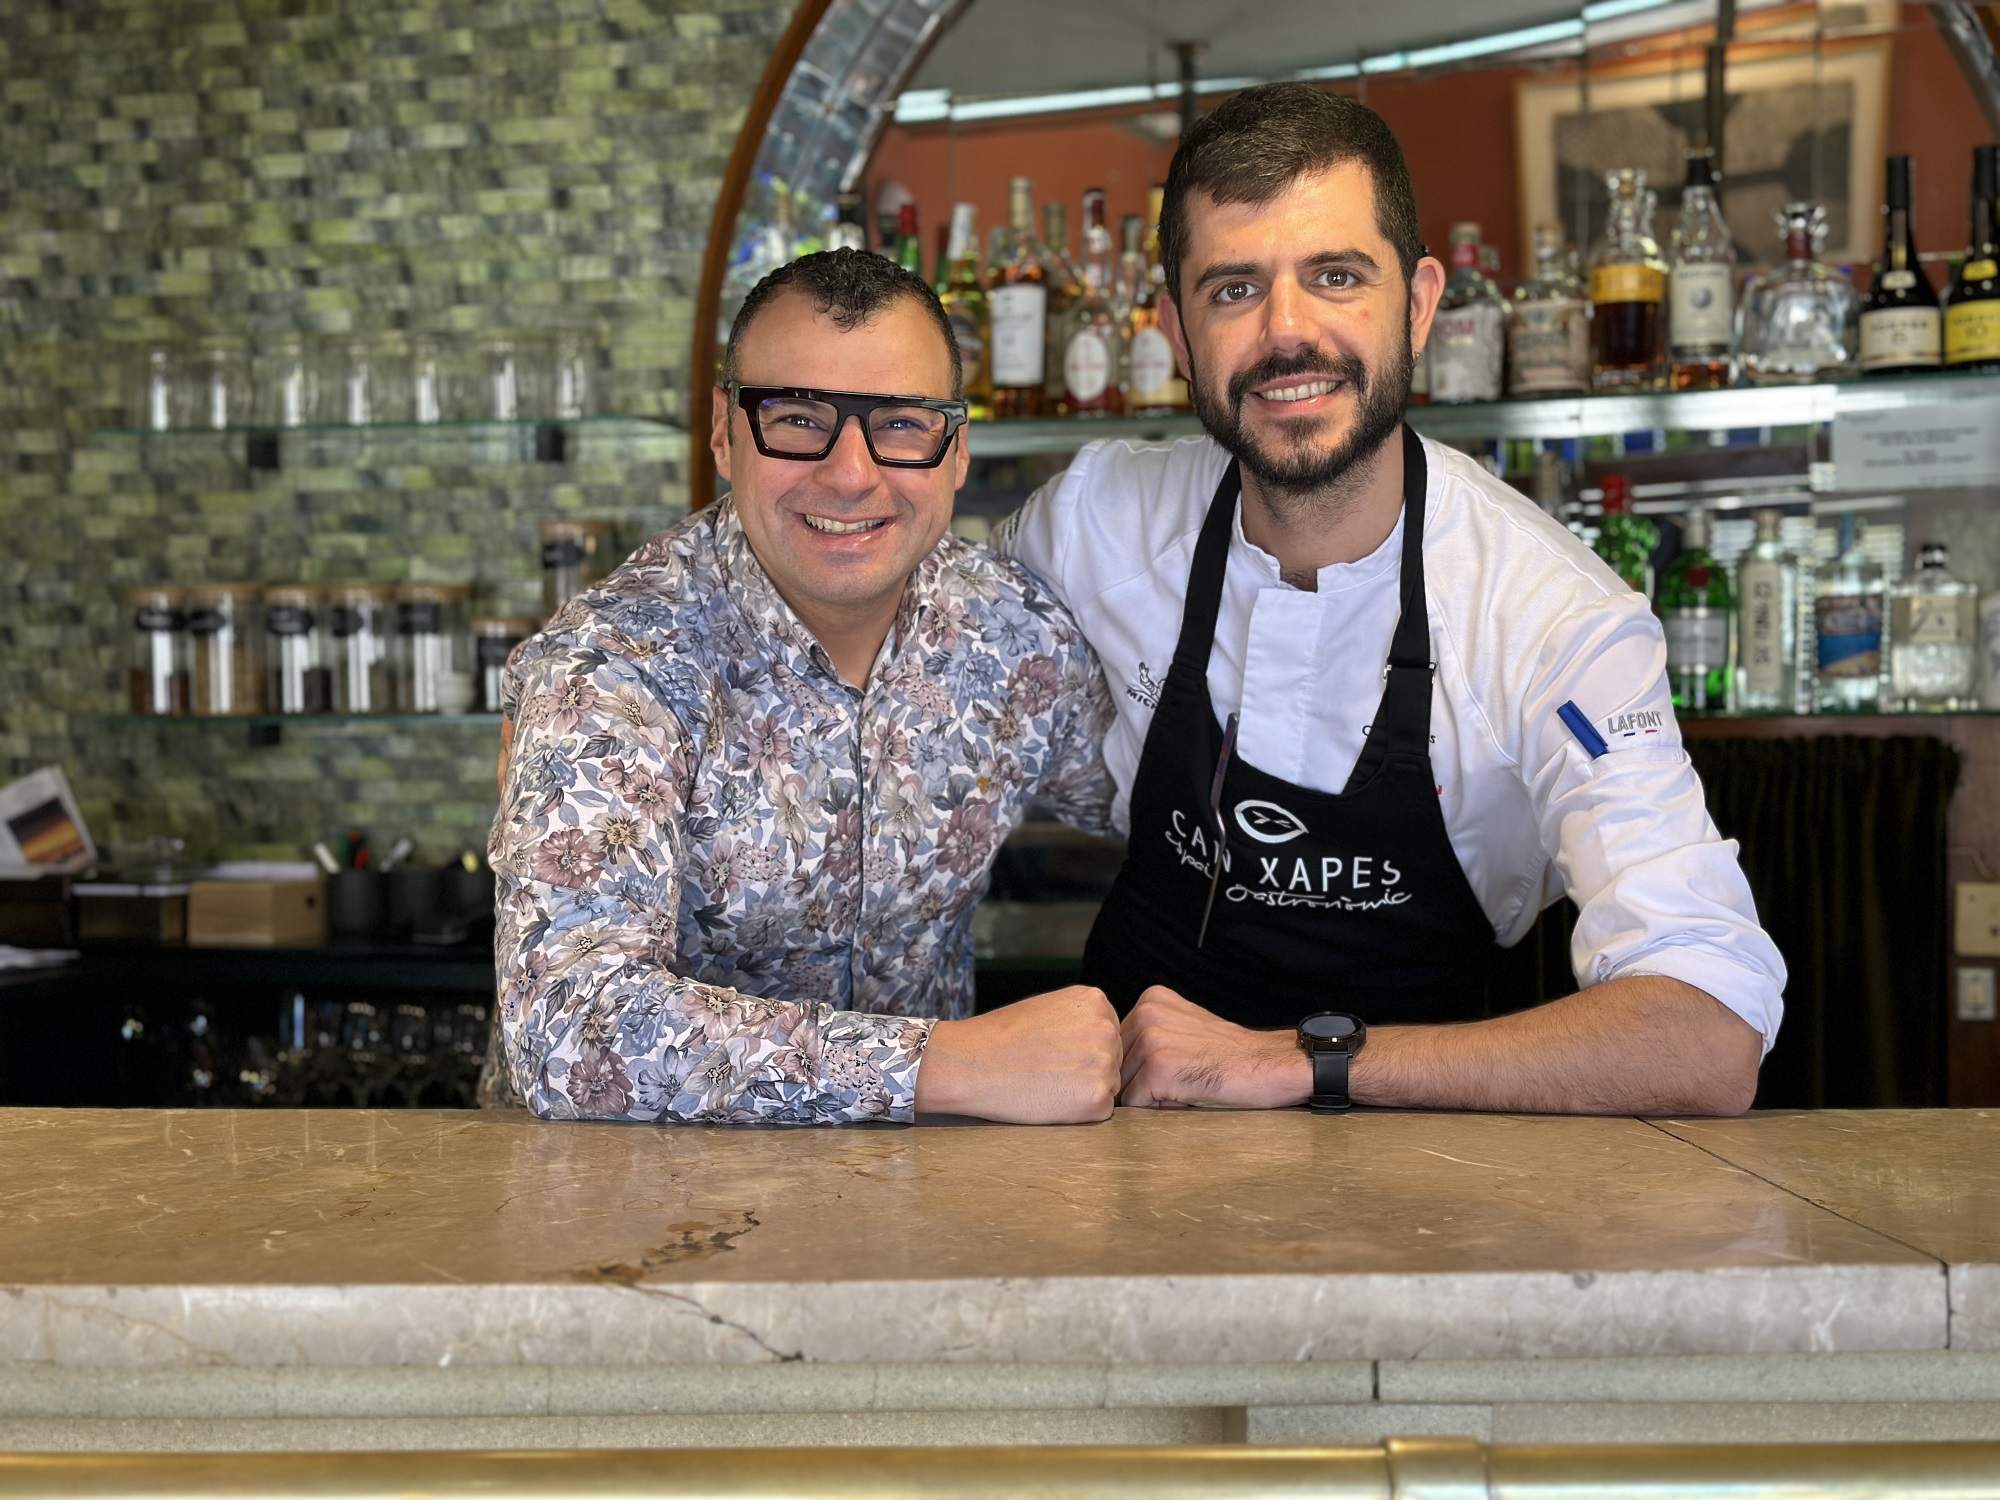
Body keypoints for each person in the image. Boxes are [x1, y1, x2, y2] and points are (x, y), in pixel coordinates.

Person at [994, 84, 1786, 1118]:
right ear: (1175, 335)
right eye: (1232, 289)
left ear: (1415, 305)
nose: (1286, 335)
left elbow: (1706, 1031)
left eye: (1333, 277)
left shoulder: (1554, 622)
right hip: (1113, 1136)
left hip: (1426, 1165)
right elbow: (906, 623)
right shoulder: (1097, 519)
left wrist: (1296, 1061)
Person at [486, 249, 1122, 1126]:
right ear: (722, 430)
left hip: (930, 1215)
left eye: (902, 423)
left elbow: (1159, 819)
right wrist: (944, 1065)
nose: (852, 473)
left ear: (958, 450)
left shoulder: (1013, 638)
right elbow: (566, 1027)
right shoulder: (612, 664)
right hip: (634, 1224)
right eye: (796, 417)